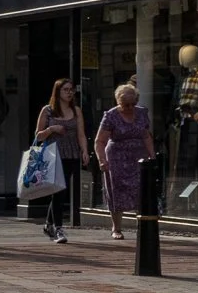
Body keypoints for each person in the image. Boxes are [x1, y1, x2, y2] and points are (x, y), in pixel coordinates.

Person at [94, 81, 155, 241]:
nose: (129, 108)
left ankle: (142, 225)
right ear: (118, 102)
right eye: (125, 105)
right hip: (117, 157)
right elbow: (100, 141)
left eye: (132, 104)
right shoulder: (111, 115)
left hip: (138, 157)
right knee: (116, 191)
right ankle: (116, 228)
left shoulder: (141, 113)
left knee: (140, 190)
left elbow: (146, 136)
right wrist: (102, 160)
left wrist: (152, 156)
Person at [32, 77, 86, 242]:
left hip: (71, 154)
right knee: (58, 191)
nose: (69, 93)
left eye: (71, 90)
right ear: (58, 92)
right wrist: (51, 129)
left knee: (61, 191)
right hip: (53, 155)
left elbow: (81, 134)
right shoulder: (48, 110)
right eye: (66, 90)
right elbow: (38, 136)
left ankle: (49, 224)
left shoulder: (76, 111)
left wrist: (84, 151)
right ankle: (58, 228)